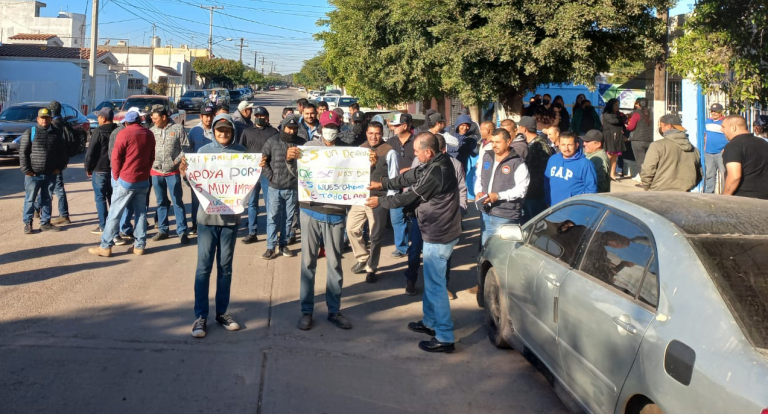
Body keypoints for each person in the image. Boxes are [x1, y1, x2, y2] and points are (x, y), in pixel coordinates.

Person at [366, 132, 462, 353]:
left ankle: (445, 337)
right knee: (431, 280)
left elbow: (409, 196)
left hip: (440, 232)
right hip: (432, 229)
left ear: (428, 152)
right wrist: (381, 184)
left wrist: (380, 200)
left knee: (436, 285)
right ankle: (430, 322)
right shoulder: (433, 162)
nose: (414, 154)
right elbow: (409, 177)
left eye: (417, 151)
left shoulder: (437, 172)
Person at [179, 114, 245, 338]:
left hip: (230, 221)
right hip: (206, 220)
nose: (224, 134)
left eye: (227, 131)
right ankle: (200, 316)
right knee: (203, 268)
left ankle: (223, 312)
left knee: (225, 268)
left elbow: (248, 182)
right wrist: (185, 173)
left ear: (233, 131)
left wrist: (257, 168)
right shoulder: (203, 152)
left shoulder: (242, 154)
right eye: (220, 130)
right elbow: (195, 182)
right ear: (214, 131)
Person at [291, 111, 353, 332]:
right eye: (327, 126)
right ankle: (306, 311)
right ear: (321, 127)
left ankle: (334, 311)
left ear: (339, 128)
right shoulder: (309, 147)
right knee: (308, 263)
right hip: (310, 211)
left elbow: (356, 177)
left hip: (336, 213)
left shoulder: (348, 152)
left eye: (334, 126)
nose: (330, 130)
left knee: (334, 263)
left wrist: (370, 165)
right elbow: (296, 175)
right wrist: (292, 160)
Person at [403, 133, 467, 297]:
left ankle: (443, 284)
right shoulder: (419, 160)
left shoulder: (455, 165)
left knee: (444, 255)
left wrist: (461, 209)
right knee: (416, 248)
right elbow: (410, 183)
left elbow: (461, 189)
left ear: (444, 150)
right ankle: (411, 279)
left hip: (445, 218)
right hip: (422, 215)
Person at [88, 109, 155, 256]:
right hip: (143, 179)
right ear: (139, 121)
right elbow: (151, 157)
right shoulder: (149, 134)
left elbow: (116, 157)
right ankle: (140, 245)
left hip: (127, 178)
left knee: (114, 213)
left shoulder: (124, 133)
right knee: (141, 213)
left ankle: (105, 246)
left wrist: (117, 176)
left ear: (126, 122)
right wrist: (146, 171)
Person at [347, 121, 397, 283]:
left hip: (378, 198)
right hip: (360, 197)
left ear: (382, 134)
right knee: (351, 228)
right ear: (366, 133)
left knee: (375, 236)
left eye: (377, 133)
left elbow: (394, 179)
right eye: (370, 133)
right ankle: (362, 257)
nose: (373, 137)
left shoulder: (389, 152)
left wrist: (385, 200)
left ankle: (372, 268)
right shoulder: (360, 150)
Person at [475, 128, 529, 246]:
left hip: (506, 215)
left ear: (508, 142)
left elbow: (522, 190)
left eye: (498, 142)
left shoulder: (518, 163)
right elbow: (479, 177)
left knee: (504, 252)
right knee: (487, 250)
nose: (494, 145)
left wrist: (499, 196)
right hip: (486, 213)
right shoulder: (487, 156)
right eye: (493, 142)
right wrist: (478, 191)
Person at [261, 115, 305, 259]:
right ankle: (270, 247)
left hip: (292, 188)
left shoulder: (302, 143)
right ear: (283, 127)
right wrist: (270, 176)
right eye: (289, 128)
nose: (292, 131)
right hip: (275, 187)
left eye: (294, 129)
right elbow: (263, 161)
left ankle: (283, 244)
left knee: (288, 219)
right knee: (272, 218)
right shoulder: (272, 141)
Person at [20, 108, 67, 234]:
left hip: (50, 173)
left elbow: (62, 153)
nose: (44, 120)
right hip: (33, 175)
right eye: (42, 117)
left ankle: (45, 222)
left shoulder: (56, 133)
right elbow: (23, 153)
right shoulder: (31, 132)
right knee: (30, 199)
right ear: (38, 119)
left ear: (51, 119)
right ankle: (28, 223)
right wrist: (27, 170)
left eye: (47, 117)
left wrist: (59, 167)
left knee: (47, 199)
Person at [149, 107, 191, 244]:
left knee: (177, 201)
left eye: (155, 118)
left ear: (164, 117)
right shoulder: (152, 131)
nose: (153, 121)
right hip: (156, 172)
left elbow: (186, 148)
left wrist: (176, 161)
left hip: (172, 172)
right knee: (161, 202)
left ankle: (182, 231)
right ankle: (163, 230)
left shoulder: (178, 129)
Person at [241, 106, 278, 244]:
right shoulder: (247, 131)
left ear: (267, 118)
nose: (259, 118)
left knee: (270, 204)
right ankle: (252, 232)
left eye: (262, 116)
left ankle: (272, 232)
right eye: (257, 115)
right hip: (251, 173)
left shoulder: (273, 132)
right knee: (252, 204)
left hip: (268, 172)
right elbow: (242, 151)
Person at [640, 115, 702, 192]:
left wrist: (647, 188)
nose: (660, 129)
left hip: (659, 193)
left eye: (661, 126)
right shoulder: (694, 149)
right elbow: (699, 174)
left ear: (669, 126)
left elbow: (647, 170)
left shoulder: (657, 146)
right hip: (684, 194)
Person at [384, 112, 415, 258]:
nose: (393, 127)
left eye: (396, 125)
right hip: (395, 187)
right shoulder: (390, 142)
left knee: (416, 218)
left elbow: (425, 163)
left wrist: (408, 171)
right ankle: (401, 247)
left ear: (405, 126)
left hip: (415, 186)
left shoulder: (417, 141)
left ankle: (417, 244)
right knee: (396, 218)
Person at [85, 107, 119, 234]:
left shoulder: (98, 131)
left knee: (100, 198)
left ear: (103, 119)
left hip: (100, 169)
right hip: (115, 169)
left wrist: (88, 167)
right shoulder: (118, 130)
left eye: (98, 117)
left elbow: (91, 152)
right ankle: (115, 226)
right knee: (113, 198)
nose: (97, 119)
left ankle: (103, 226)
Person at [186, 104, 217, 235]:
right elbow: (188, 151)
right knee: (196, 200)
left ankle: (211, 224)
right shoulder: (194, 131)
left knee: (213, 200)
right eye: (206, 116)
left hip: (214, 174)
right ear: (201, 116)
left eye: (210, 116)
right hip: (197, 174)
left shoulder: (217, 131)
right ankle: (195, 224)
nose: (208, 119)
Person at [544, 132, 598, 206]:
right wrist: (547, 201)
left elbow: (591, 189)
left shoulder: (585, 164)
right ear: (558, 145)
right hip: (553, 207)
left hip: (572, 209)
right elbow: (547, 183)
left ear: (576, 145)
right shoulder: (553, 159)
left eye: (570, 145)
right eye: (563, 145)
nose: (566, 148)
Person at [721, 115, 768, 199]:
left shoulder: (733, 145)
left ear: (733, 127)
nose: (722, 130)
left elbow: (734, 176)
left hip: (744, 199)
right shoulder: (763, 143)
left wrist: (725, 197)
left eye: (723, 127)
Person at [519, 116, 554, 221]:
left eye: (519, 127)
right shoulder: (529, 144)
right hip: (528, 192)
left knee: (535, 224)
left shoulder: (541, 144)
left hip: (536, 194)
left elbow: (544, 171)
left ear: (523, 129)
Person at [42, 101, 71, 225]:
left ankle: (64, 215)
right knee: (48, 186)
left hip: (54, 162)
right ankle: (38, 208)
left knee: (56, 187)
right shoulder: (64, 123)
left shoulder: (53, 126)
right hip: (61, 160)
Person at [625, 98, 653, 184]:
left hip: (637, 140)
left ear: (638, 104)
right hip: (649, 140)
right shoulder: (651, 113)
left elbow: (631, 127)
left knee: (640, 161)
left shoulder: (636, 113)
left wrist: (626, 126)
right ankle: (650, 179)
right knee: (648, 161)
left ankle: (644, 181)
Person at [703, 103, 728, 193]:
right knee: (709, 174)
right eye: (712, 111)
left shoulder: (725, 122)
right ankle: (709, 193)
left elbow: (729, 136)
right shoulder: (708, 121)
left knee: (724, 174)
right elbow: (706, 135)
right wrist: (705, 147)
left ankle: (725, 193)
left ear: (720, 112)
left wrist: (726, 148)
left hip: (721, 152)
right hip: (709, 152)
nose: (714, 113)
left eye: (716, 112)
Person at [601, 98, 625, 181]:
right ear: (611, 105)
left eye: (618, 105)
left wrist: (622, 118)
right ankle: (605, 173)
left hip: (617, 135)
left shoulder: (617, 113)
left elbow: (621, 119)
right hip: (610, 136)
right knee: (609, 155)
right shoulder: (607, 113)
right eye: (615, 105)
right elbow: (614, 121)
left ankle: (612, 174)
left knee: (615, 156)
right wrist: (622, 119)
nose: (617, 107)